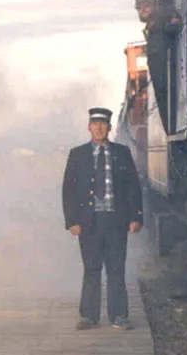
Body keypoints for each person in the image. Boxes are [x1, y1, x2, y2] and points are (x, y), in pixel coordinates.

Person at [61, 106, 143, 330]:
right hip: (89, 222)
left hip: (115, 221)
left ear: (109, 127)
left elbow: (133, 187)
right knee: (91, 268)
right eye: (94, 124)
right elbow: (68, 189)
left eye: (103, 124)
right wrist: (72, 221)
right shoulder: (77, 154)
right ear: (89, 127)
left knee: (116, 268)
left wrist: (136, 216)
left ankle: (119, 316)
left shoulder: (122, 152)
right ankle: (89, 316)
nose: (98, 128)